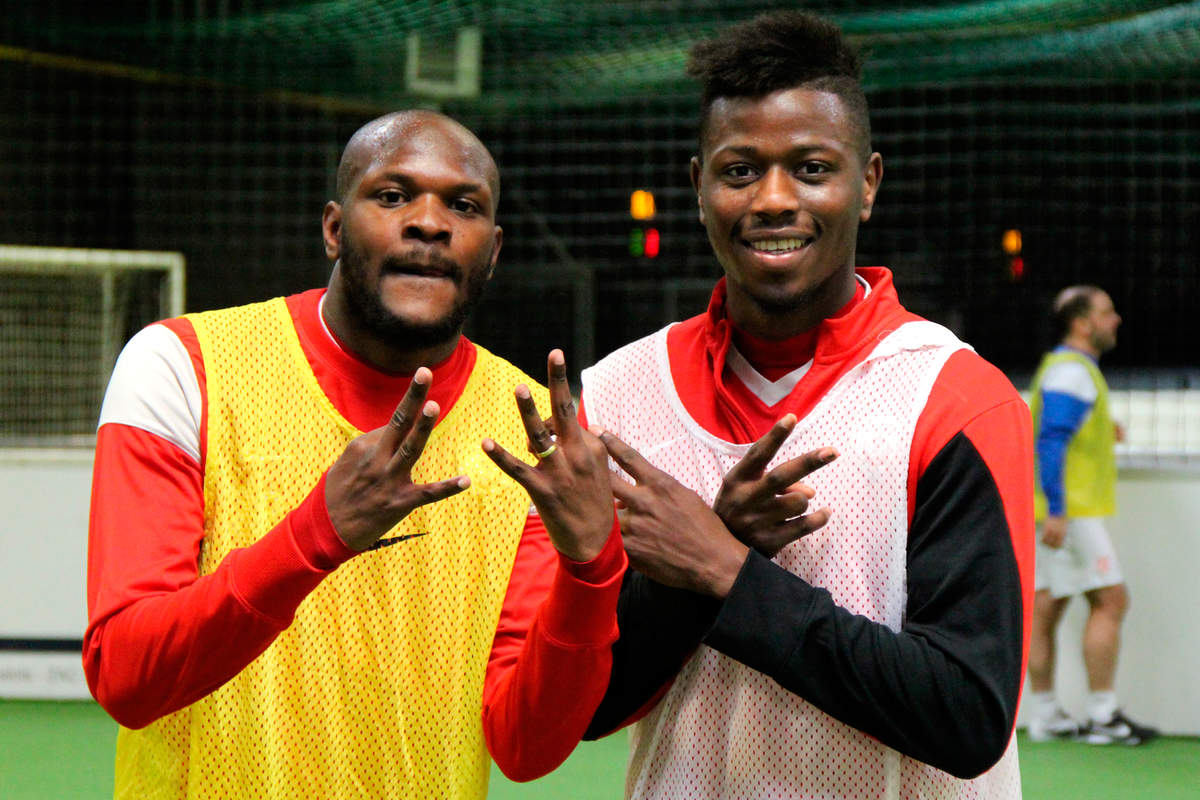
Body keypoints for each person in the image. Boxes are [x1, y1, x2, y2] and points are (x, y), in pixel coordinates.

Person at [83, 110, 625, 798]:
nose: (428, 223)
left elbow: (525, 747)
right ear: (334, 229)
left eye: (463, 206)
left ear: (492, 251)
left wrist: (591, 571)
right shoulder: (181, 367)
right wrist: (316, 535)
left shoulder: (530, 435)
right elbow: (126, 677)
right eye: (393, 196)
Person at [576, 11, 1034, 798]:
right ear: (698, 187)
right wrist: (689, 581)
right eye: (740, 171)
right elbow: (589, 706)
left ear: (868, 183)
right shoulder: (617, 396)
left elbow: (967, 714)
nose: (774, 199)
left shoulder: (958, 399)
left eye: (812, 168)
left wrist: (726, 571)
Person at [1025, 285, 1158, 745]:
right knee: (1111, 601)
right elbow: (1050, 441)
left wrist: (1103, 430)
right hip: (1070, 512)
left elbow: (1057, 432)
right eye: (1107, 312)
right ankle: (1103, 715)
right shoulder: (1073, 373)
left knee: (1047, 605)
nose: (1115, 319)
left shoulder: (1064, 369)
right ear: (1082, 323)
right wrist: (1058, 510)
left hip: (1054, 509)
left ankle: (1046, 715)